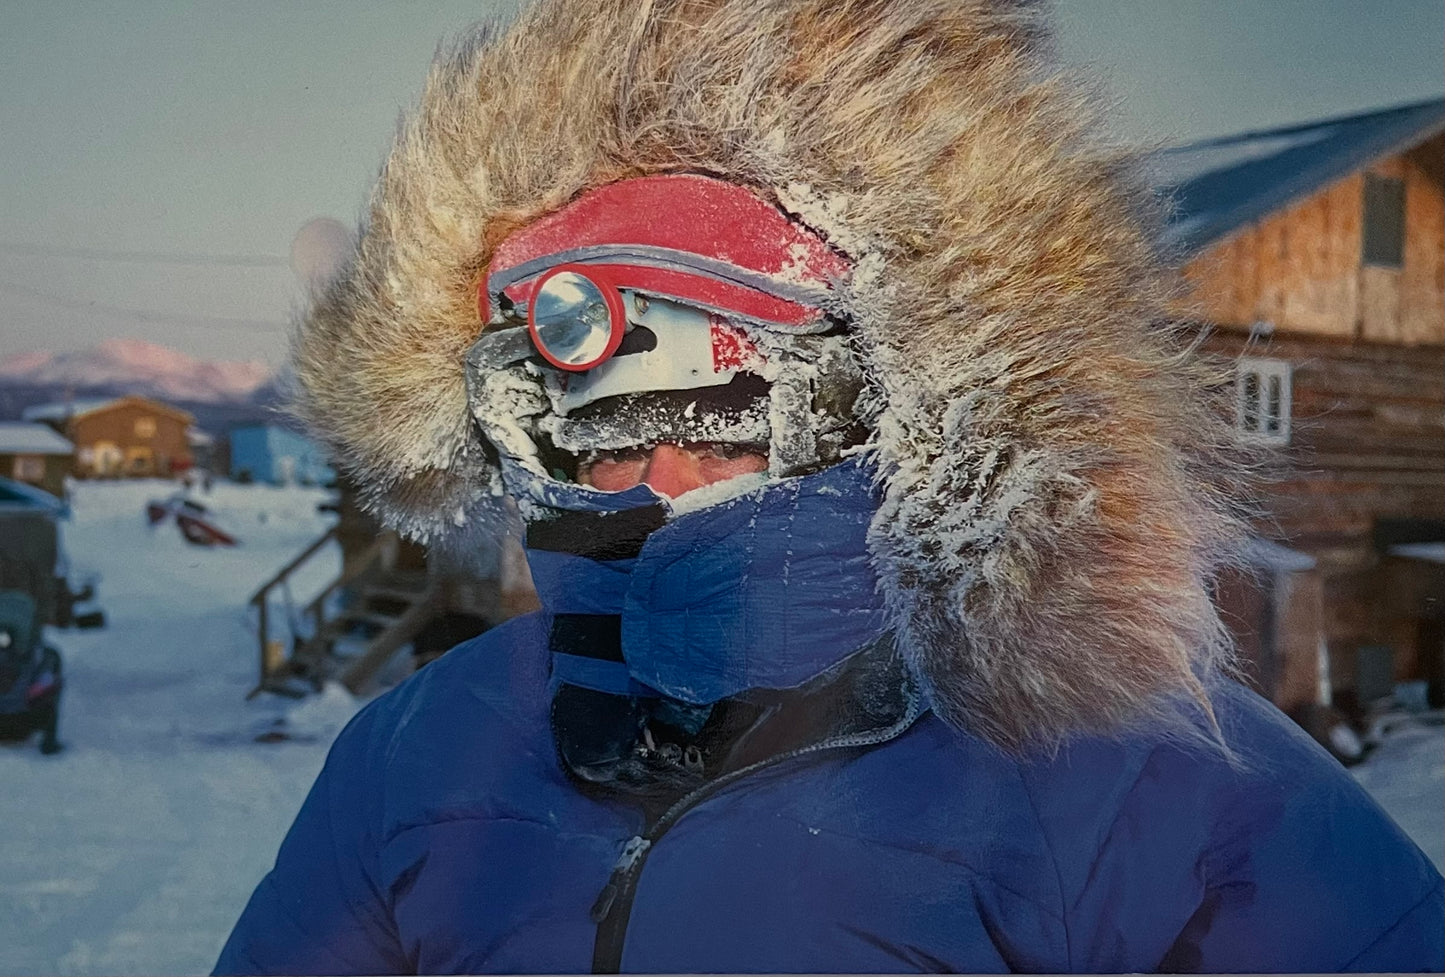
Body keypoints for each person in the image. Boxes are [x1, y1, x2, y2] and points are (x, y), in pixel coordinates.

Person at [216, 1, 1444, 972]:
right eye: (588, 439)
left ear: (888, 397)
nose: (647, 484)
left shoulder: (1135, 780)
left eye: (719, 418)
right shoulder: (418, 752)